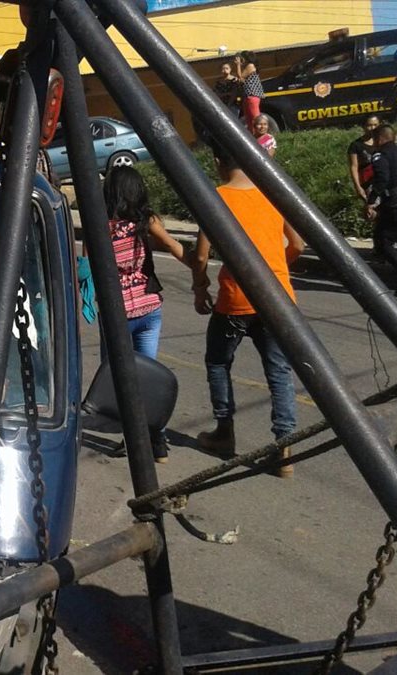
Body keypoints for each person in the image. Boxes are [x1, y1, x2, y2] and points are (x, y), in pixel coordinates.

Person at [193, 142, 305, 477]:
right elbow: (298, 243)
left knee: (217, 361)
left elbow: (201, 256)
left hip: (236, 299)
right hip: (277, 298)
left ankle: (224, 432)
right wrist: (271, 270)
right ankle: (284, 449)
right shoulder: (272, 193)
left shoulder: (216, 198)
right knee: (279, 372)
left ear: (217, 161)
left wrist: (201, 288)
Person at [100, 165, 192, 462]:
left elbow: (89, 266)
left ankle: (133, 440)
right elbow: (175, 247)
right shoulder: (147, 221)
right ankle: (159, 442)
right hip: (150, 307)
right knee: (148, 378)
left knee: (121, 380)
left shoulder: (103, 225)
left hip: (118, 315)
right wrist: (200, 273)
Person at [366, 124, 397, 296]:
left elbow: (382, 179)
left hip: (395, 202)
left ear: (380, 139)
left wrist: (372, 201)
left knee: (383, 242)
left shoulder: (380, 155)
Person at [348, 115, 382, 204]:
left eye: (375, 125)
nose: (372, 128)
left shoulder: (383, 142)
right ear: (364, 126)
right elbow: (354, 167)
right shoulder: (356, 145)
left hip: (384, 181)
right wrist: (358, 186)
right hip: (368, 183)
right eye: (369, 125)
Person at [236, 51, 265, 135]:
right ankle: (253, 137)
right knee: (249, 120)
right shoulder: (247, 67)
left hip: (252, 96)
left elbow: (240, 76)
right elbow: (241, 80)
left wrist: (238, 65)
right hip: (247, 96)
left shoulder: (250, 66)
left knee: (256, 119)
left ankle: (261, 136)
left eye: (241, 58)